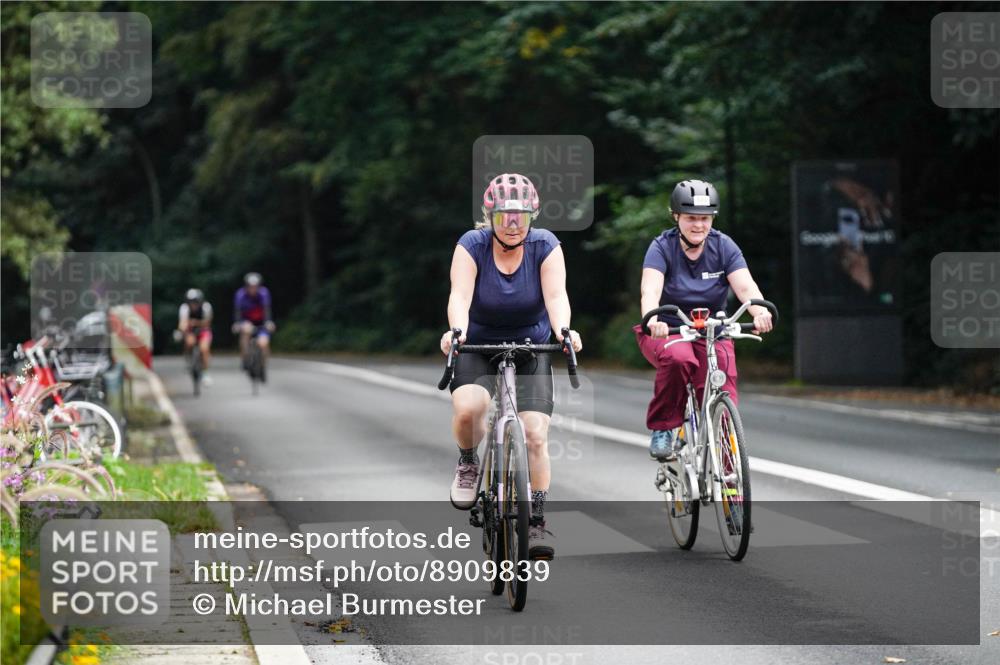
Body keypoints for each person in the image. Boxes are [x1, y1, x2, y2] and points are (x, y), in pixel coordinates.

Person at [440, 173, 582, 561]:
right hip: (478, 342)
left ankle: (535, 520)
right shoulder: (472, 245)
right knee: (470, 408)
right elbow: (460, 295)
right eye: (504, 214)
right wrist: (457, 331)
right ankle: (469, 462)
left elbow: (556, 296)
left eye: (521, 214)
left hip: (532, 345)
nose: (513, 222)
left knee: (534, 433)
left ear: (533, 215)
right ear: (490, 216)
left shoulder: (546, 246)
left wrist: (565, 332)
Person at [635, 179, 773, 461]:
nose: (698, 225)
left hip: (712, 329)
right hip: (669, 328)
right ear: (676, 216)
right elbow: (650, 290)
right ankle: (664, 428)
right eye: (691, 218)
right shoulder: (661, 247)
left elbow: (746, 288)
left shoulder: (724, 246)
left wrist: (759, 312)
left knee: (721, 374)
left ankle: (727, 458)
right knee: (680, 360)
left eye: (705, 218)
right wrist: (653, 320)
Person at [232, 272, 275, 375]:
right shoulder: (240, 294)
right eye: (250, 287)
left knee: (264, 344)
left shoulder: (264, 293)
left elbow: (267, 309)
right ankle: (245, 357)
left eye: (255, 287)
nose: (253, 289)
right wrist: (237, 323)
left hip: (261, 322)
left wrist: (269, 322)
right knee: (246, 331)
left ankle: (263, 367)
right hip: (246, 321)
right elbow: (237, 311)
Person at [177, 288, 214, 385]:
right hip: (190, 330)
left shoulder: (206, 307)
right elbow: (182, 322)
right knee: (189, 342)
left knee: (204, 349)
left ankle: (205, 373)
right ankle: (188, 360)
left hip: (203, 330)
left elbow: (207, 323)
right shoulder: (184, 308)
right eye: (191, 302)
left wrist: (195, 323)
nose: (193, 304)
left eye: (195, 302)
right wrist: (183, 329)